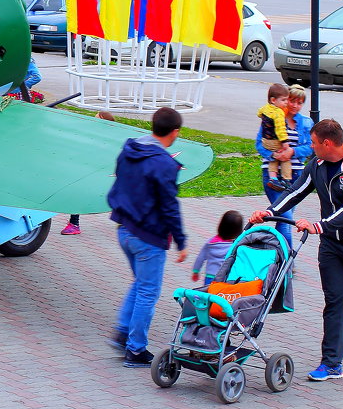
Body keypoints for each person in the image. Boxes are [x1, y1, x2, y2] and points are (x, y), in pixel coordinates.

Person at [248, 119, 343, 382]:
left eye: (315, 143)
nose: (312, 148)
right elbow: (294, 192)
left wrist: (319, 226)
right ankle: (331, 364)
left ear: (328, 143)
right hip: (332, 246)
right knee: (334, 300)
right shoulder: (316, 166)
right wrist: (270, 212)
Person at [107, 106, 187, 368]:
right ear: (174, 132)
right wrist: (181, 241)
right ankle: (136, 349)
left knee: (141, 283)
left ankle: (122, 332)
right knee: (148, 291)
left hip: (124, 229)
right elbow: (169, 205)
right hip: (148, 237)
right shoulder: (163, 163)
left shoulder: (131, 149)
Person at [255, 84, 313, 246]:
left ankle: (278, 256)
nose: (294, 105)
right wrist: (273, 154)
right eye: (291, 101)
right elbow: (259, 144)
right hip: (273, 176)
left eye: (299, 102)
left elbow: (310, 146)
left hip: (295, 176)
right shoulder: (272, 117)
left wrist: (292, 152)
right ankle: (287, 258)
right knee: (285, 217)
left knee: (283, 219)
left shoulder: (306, 122)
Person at [63, 111, 117, 236]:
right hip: (91, 172)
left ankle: (74, 224)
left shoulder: (108, 139)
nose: (93, 121)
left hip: (103, 174)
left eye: (97, 119)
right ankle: (74, 223)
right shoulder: (93, 135)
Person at [191, 210, 243, 286]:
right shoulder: (235, 246)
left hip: (210, 277)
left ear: (221, 225)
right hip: (225, 277)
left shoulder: (210, 242)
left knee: (208, 295)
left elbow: (200, 257)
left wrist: (196, 271)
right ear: (238, 231)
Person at [257, 83, 294, 187]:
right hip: (275, 140)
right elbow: (280, 129)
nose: (286, 103)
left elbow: (259, 113)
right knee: (285, 158)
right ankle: (286, 179)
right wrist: (285, 142)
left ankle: (273, 178)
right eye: (283, 100)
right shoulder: (278, 112)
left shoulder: (265, 108)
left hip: (266, 141)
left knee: (274, 158)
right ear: (273, 100)